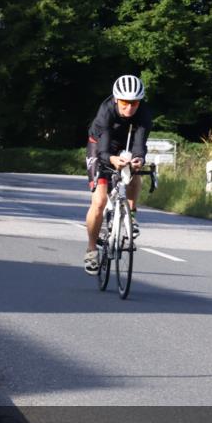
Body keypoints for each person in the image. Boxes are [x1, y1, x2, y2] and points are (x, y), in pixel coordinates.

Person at [83, 74, 151, 275]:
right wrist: (112, 160)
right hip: (100, 146)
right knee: (99, 201)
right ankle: (91, 249)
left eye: (134, 103)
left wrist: (138, 159)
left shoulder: (145, 114)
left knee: (135, 170)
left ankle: (130, 214)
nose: (129, 108)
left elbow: (140, 145)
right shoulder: (106, 111)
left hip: (126, 144)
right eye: (124, 102)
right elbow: (103, 152)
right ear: (115, 99)